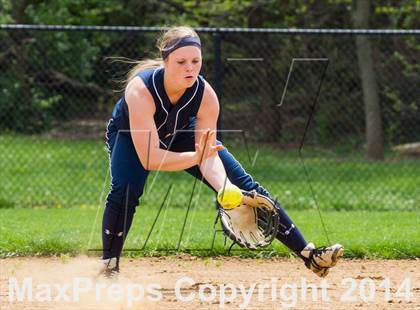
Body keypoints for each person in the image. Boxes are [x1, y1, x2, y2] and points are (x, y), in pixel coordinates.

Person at [101, 26, 343, 278]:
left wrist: (226, 188)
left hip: (181, 130)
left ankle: (310, 255)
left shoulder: (205, 95)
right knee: (126, 189)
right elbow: (150, 157)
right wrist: (197, 155)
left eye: (195, 61)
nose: (190, 68)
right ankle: (109, 268)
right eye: (181, 62)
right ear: (165, 61)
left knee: (245, 187)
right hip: (131, 136)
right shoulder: (141, 90)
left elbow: (209, 157)